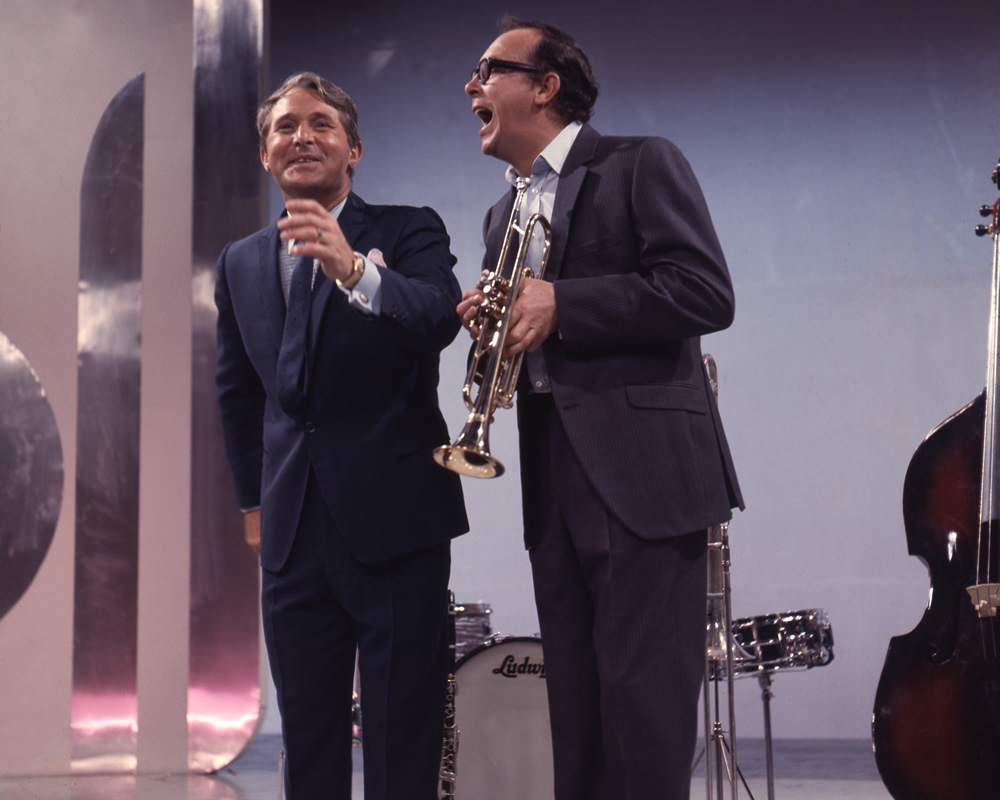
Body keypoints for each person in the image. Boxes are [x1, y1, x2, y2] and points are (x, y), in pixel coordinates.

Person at [457, 18, 744, 800]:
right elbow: (530, 328)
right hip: (554, 474)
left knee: (642, 714)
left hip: (643, 478)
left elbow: (704, 291)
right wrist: (495, 323)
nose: (470, 86)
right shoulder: (500, 218)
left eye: (489, 69)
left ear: (545, 87)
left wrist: (563, 303)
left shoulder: (639, 162)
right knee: (577, 713)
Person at [215, 71, 468, 800]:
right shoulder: (239, 262)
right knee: (309, 736)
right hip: (292, 531)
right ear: (266, 155)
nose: (302, 136)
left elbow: (437, 319)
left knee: (402, 730)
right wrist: (253, 506)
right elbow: (238, 392)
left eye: (321, 124)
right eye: (285, 127)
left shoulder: (407, 228)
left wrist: (356, 270)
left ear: (353, 150)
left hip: (396, 519)